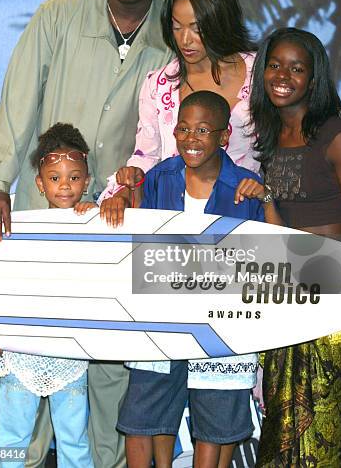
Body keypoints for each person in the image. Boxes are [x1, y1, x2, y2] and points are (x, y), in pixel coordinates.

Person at [0, 0, 174, 468]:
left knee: (106, 357)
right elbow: (17, 102)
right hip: (44, 214)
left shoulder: (173, 34)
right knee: (29, 350)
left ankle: (100, 462)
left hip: (115, 218)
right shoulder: (58, 14)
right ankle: (21, 460)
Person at [244, 27, 341, 467]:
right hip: (284, 289)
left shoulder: (336, 137)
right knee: (281, 421)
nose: (283, 75)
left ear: (313, 78)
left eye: (296, 68)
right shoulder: (269, 138)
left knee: (318, 422)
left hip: (332, 290)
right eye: (275, 65)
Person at [116, 91, 264, 468]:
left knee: (217, 419)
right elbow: (140, 244)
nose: (190, 138)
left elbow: (268, 256)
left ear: (224, 136)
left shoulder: (246, 187)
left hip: (220, 322)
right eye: (183, 129)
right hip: (163, 317)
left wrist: (270, 200)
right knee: (142, 413)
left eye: (202, 130)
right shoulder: (159, 178)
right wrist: (127, 195)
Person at [99, 0, 259, 226]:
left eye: (197, 28)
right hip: (172, 223)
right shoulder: (158, 85)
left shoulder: (261, 75)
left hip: (244, 218)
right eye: (176, 27)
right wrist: (125, 191)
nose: (185, 40)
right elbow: (147, 156)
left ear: (220, 22)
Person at [0, 123, 94, 468]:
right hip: (20, 352)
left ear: (86, 181)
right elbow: (2, 285)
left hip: (70, 354)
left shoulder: (99, 225)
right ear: (40, 184)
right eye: (55, 178)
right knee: (12, 437)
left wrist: (99, 219)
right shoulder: (20, 230)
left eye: (74, 177)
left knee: (74, 438)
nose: (65, 186)